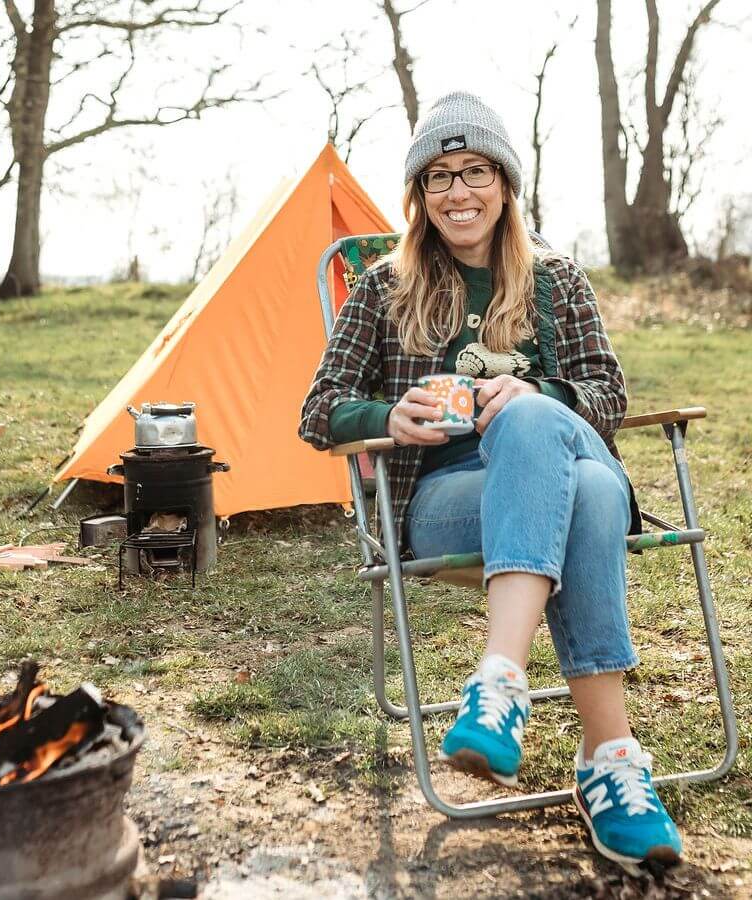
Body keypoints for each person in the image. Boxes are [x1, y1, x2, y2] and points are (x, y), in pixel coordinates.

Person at [299, 91, 682, 876]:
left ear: (505, 184)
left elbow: (608, 392)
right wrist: (385, 412)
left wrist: (540, 397)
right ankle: (609, 761)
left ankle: (500, 685)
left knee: (540, 427)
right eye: (438, 177)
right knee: (597, 497)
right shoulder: (382, 287)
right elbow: (317, 412)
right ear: (419, 196)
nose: (458, 192)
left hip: (557, 475)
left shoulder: (558, 281)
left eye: (475, 171)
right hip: (447, 502)